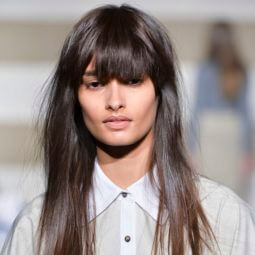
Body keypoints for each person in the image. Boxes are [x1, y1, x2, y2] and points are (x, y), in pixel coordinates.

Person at [1, 5, 255, 255]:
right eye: (95, 84)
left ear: (159, 90)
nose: (114, 101)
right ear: (75, 97)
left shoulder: (224, 218)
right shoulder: (35, 228)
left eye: (133, 80)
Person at [188, 22, 254, 175]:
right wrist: (247, 151)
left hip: (208, 133)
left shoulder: (204, 69)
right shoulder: (240, 70)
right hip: (233, 134)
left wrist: (191, 148)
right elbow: (244, 115)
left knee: (210, 190)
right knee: (232, 193)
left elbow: (197, 110)